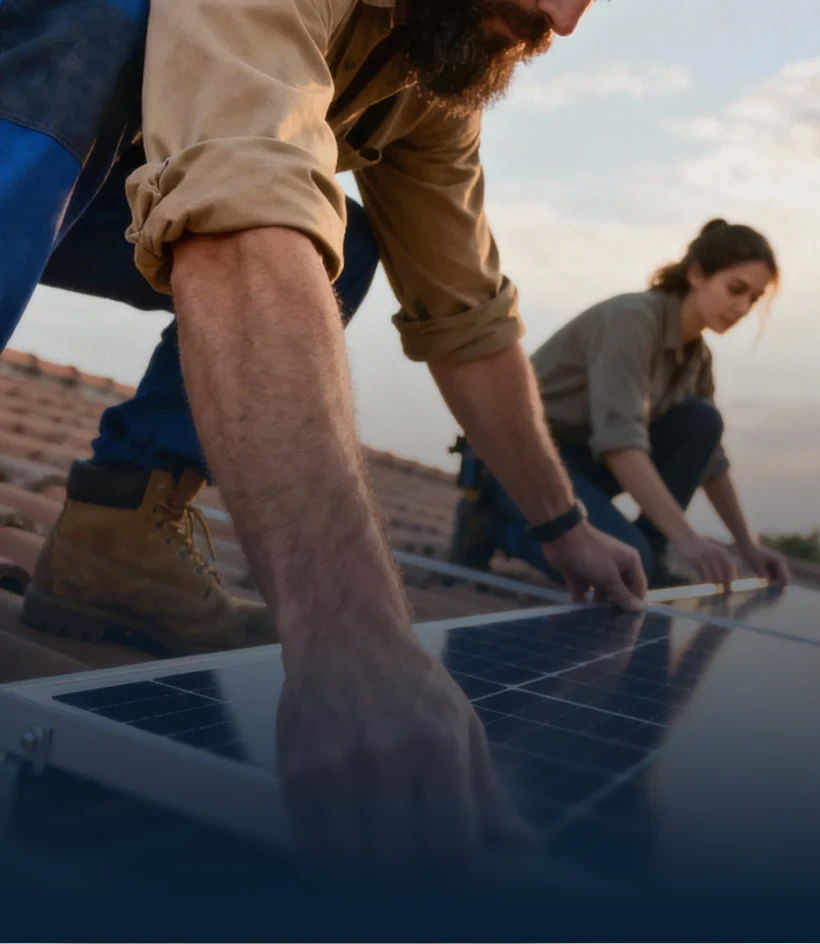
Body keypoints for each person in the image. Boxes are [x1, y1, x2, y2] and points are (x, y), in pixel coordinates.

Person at [2, 0, 647, 875]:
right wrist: (349, 636)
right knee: (100, 21)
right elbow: (235, 211)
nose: (562, 20)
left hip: (80, 187)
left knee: (340, 238)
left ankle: (118, 536)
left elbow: (468, 320)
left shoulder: (427, 79)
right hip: (36, 100)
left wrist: (564, 526)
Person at [450, 219, 793, 591]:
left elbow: (711, 461)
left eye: (754, 299)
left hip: (582, 464)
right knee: (626, 570)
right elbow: (619, 444)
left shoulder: (697, 358)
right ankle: (492, 526)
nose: (742, 307)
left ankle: (651, 552)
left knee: (703, 422)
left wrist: (747, 545)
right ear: (697, 275)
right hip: (521, 463)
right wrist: (689, 540)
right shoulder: (632, 321)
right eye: (735, 289)